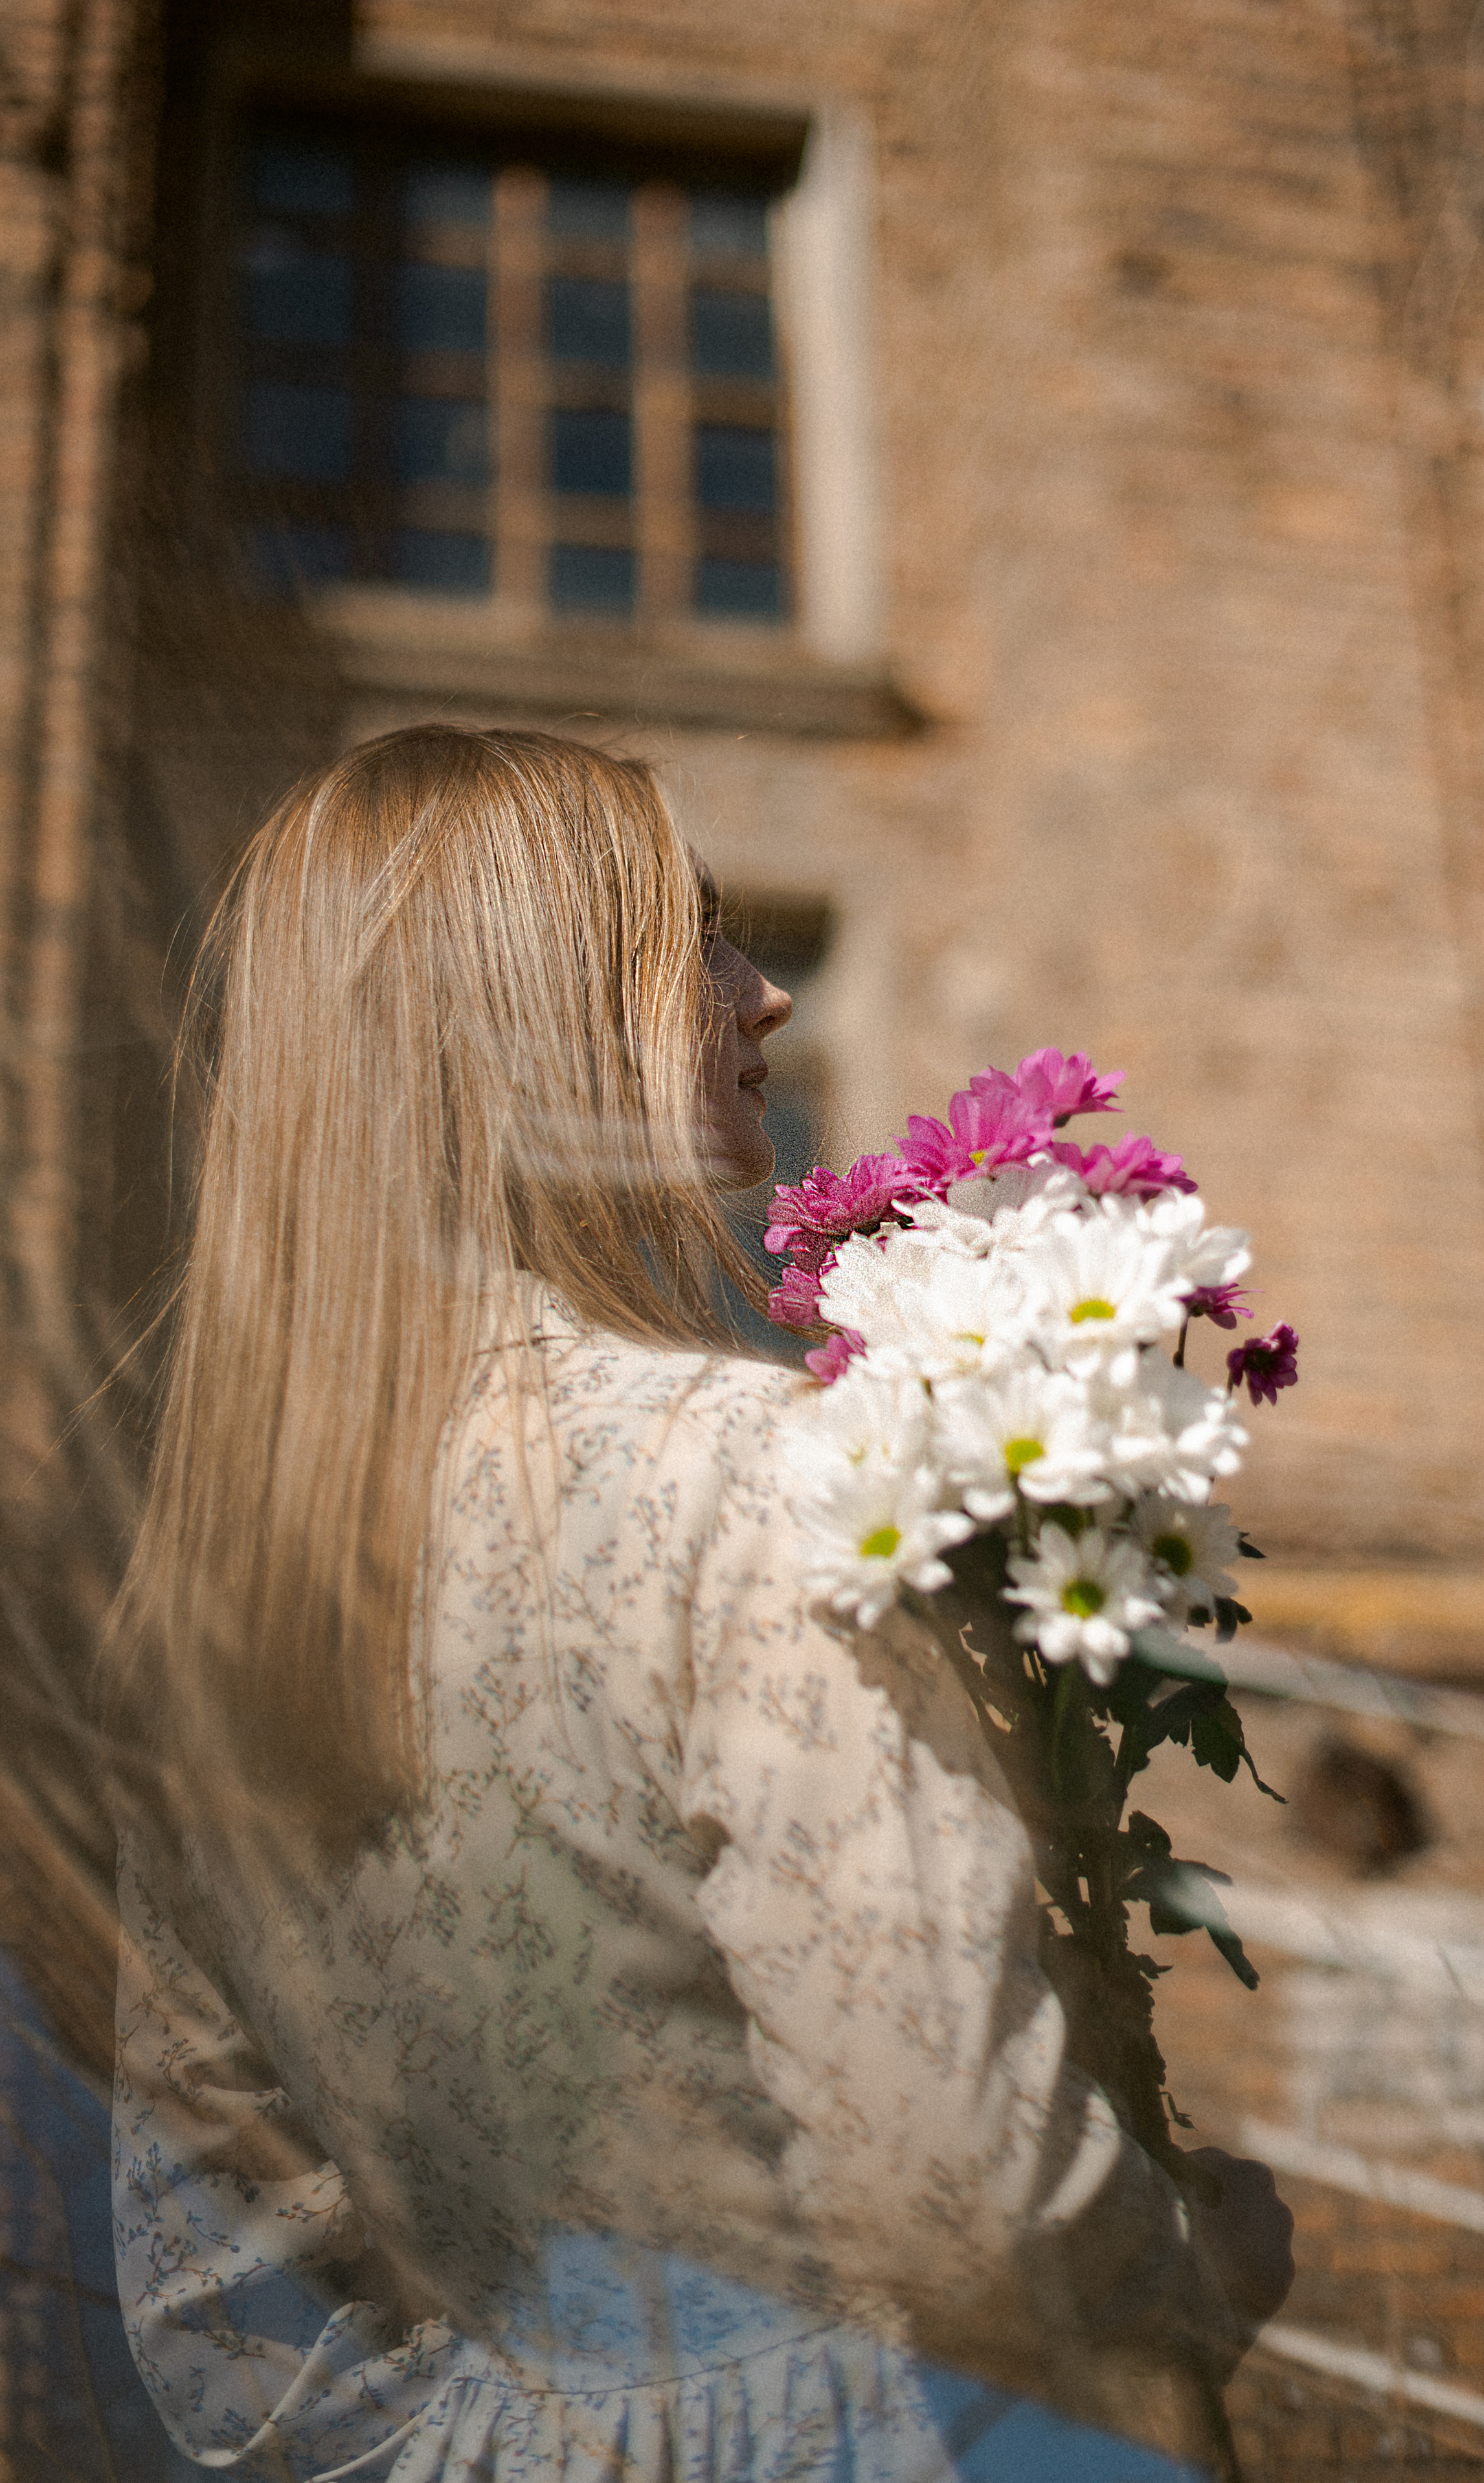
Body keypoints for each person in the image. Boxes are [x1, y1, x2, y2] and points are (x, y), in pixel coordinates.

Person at [101, 727, 1292, 2483]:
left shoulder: (209, 1590)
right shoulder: (746, 1473)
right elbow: (961, 2197)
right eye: (694, 934)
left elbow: (219, 2316)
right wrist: (1191, 2262)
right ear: (525, 1008)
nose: (768, 997)